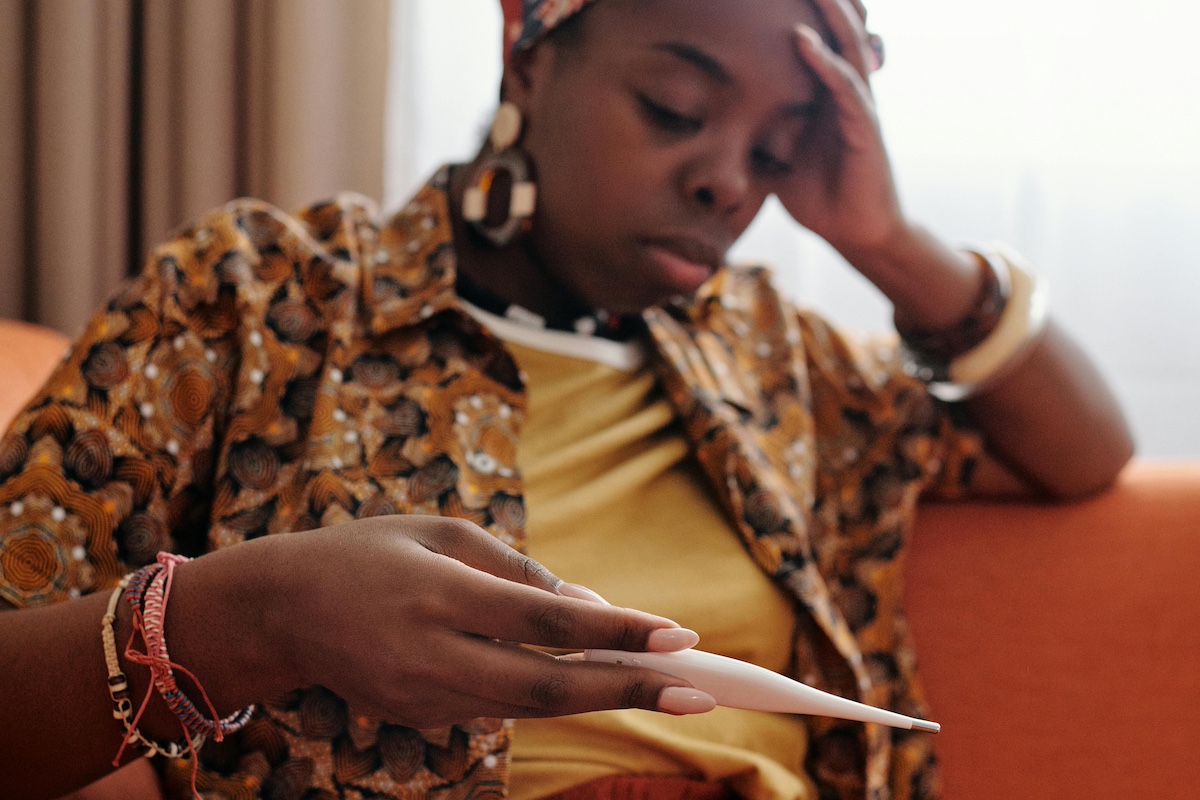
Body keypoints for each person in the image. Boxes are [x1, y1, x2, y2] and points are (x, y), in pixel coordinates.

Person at [0, 0, 1133, 798]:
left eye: (778, 149)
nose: (729, 181)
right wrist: (255, 616)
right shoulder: (259, 295)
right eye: (677, 107)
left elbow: (1083, 453)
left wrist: (890, 243)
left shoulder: (778, 359)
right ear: (527, 46)